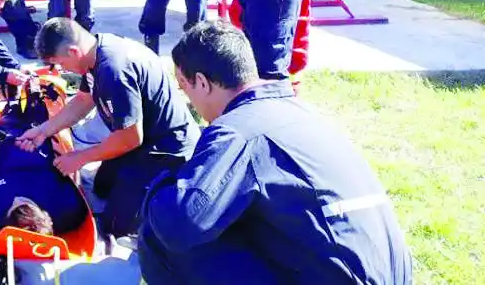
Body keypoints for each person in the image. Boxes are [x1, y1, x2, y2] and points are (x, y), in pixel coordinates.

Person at [138, 21, 413, 285]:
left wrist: (162, 183)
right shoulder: (299, 111)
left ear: (202, 82)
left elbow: (179, 224)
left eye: (184, 88)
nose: (191, 104)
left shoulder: (237, 129)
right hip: (388, 273)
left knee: (160, 233)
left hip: (344, 276)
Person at [17, 18, 201, 239]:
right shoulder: (94, 53)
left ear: (73, 51)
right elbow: (84, 101)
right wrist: (44, 130)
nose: (62, 69)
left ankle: (168, 194)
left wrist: (80, 157)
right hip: (138, 139)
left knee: (116, 226)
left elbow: (131, 138)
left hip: (164, 150)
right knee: (101, 188)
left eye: (61, 64)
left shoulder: (114, 70)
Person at [0, 138, 89, 237]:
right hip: (42, 148)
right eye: (22, 202)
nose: (16, 198)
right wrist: (57, 148)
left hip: (7, 148)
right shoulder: (68, 212)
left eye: (13, 205)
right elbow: (73, 177)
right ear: (46, 216)